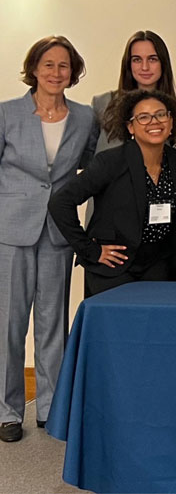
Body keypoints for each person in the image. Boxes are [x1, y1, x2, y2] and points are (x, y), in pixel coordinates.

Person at [0, 36, 97, 444]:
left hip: (58, 231)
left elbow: (91, 169)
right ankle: (6, 411)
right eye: (49, 65)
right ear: (34, 68)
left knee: (53, 323)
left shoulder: (85, 117)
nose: (57, 73)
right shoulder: (7, 114)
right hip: (11, 229)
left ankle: (51, 408)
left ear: (72, 72)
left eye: (64, 66)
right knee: (8, 323)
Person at [49, 90, 176, 298]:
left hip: (158, 268)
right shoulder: (110, 162)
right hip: (115, 269)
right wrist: (90, 250)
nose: (154, 122)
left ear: (170, 121)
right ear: (130, 126)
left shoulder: (175, 159)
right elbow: (60, 203)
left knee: (154, 329)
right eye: (143, 117)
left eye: (160, 114)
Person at [91, 30, 176, 152]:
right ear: (128, 65)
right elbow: (88, 159)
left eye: (152, 59)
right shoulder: (103, 104)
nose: (145, 67)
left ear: (163, 63)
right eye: (137, 60)